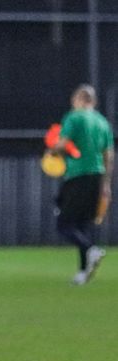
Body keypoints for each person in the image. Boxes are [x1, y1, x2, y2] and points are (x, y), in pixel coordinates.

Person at [50, 84, 114, 285]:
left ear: (78, 99)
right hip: (97, 175)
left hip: (77, 174)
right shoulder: (103, 122)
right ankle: (82, 272)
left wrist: (52, 150)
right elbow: (109, 156)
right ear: (93, 101)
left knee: (64, 224)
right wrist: (106, 184)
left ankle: (91, 250)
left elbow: (62, 144)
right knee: (82, 223)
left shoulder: (74, 117)